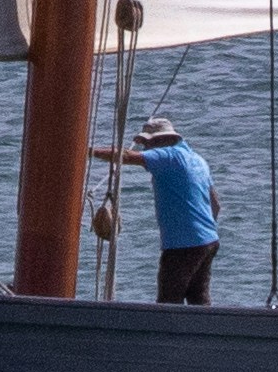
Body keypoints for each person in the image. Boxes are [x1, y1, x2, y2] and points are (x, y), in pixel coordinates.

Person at [94, 118, 223, 304]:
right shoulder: (198, 160)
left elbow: (127, 156)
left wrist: (89, 152)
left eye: (149, 143)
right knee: (198, 299)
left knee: (168, 301)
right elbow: (215, 204)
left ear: (164, 140)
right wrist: (202, 231)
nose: (146, 148)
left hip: (183, 245)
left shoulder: (168, 156)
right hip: (209, 241)